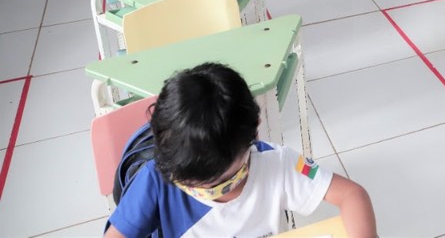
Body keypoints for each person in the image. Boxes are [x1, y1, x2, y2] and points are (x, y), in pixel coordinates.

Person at [105, 63, 377, 238]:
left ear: (253, 134)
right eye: (192, 185)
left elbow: (353, 195)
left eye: (220, 181)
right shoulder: (157, 179)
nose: (206, 190)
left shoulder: (279, 163)